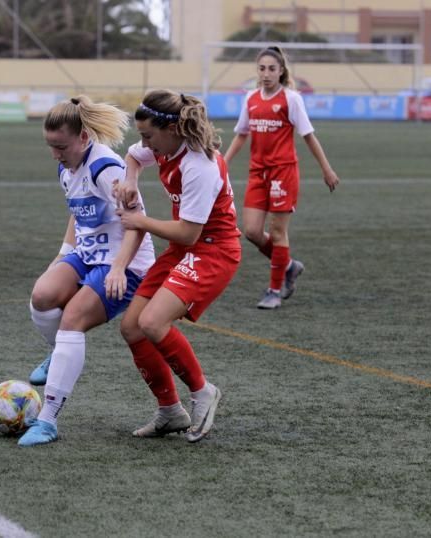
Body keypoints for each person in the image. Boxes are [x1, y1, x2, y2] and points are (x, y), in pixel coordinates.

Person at [18, 96, 155, 447]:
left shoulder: (106, 168)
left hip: (126, 263)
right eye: (50, 146)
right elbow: (77, 214)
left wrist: (120, 268)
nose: (55, 154)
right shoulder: (67, 165)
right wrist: (61, 257)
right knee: (42, 295)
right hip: (89, 254)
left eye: (60, 146)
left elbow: (137, 223)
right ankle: (58, 353)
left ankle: (47, 421)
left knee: (72, 320)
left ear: (83, 138)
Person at [116, 90, 241, 443]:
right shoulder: (164, 146)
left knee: (152, 322)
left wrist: (140, 221)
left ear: (172, 129)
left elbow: (188, 233)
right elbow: (132, 156)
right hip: (184, 248)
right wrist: (129, 179)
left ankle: (203, 392)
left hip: (213, 252)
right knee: (132, 327)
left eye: (148, 136)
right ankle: (170, 411)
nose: (145, 144)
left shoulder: (199, 165)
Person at [223, 46, 339, 309]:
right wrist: (223, 163)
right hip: (257, 172)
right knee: (251, 231)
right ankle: (288, 265)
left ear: (281, 71)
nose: (266, 74)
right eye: (262, 68)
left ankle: (274, 290)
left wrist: (326, 169)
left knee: (277, 232)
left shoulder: (291, 99)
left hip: (283, 172)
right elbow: (242, 134)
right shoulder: (251, 98)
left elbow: (308, 135)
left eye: (272, 69)